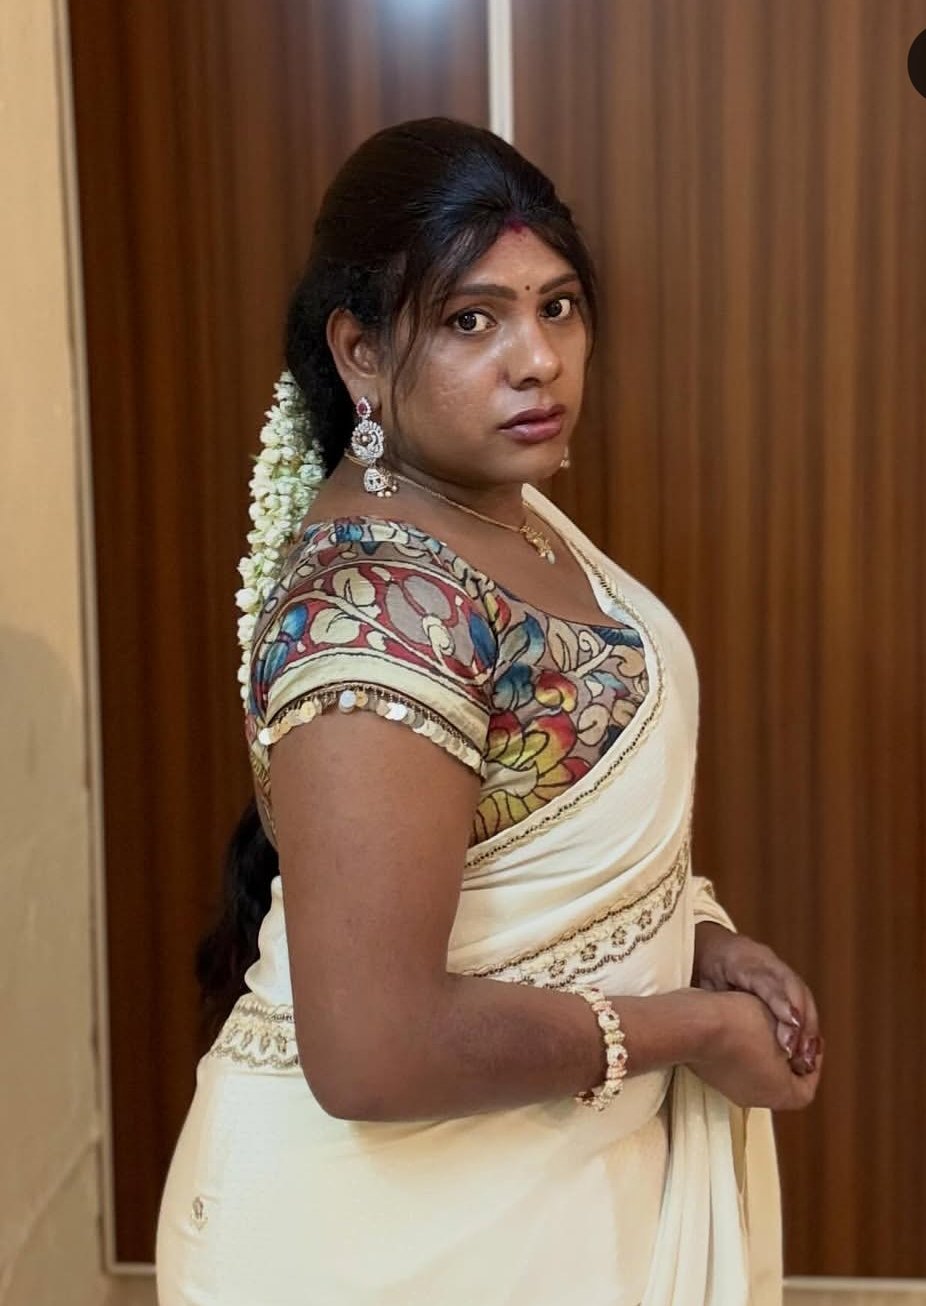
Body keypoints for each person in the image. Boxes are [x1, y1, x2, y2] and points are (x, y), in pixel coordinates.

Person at [156, 117, 822, 1306]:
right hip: (378, 1239)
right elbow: (373, 1053)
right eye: (472, 320)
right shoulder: (374, 611)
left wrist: (697, 938)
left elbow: (532, 832)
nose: (537, 360)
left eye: (556, 307)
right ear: (360, 352)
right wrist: (690, 1028)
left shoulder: (496, 509)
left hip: (539, 1192)